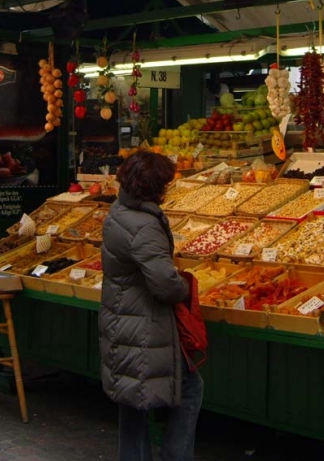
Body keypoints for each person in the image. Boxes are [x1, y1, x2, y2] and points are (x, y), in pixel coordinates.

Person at [99, 150, 202, 461]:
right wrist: (186, 287)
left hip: (121, 320)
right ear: (154, 187)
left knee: (132, 401)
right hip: (143, 326)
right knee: (190, 388)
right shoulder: (144, 225)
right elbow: (164, 284)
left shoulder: (119, 210)